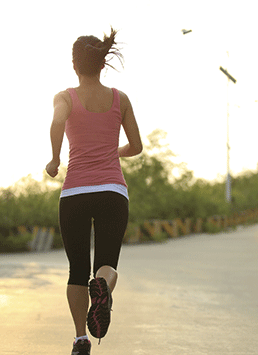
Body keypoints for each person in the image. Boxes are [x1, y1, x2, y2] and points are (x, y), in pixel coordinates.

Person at [45, 27, 142, 355]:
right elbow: (137, 146)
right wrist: (113, 152)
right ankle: (103, 289)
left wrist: (56, 158)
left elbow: (58, 123)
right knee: (107, 263)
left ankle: (80, 339)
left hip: (75, 193)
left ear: (74, 65)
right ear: (102, 64)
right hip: (113, 192)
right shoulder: (120, 99)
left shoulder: (65, 97)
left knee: (76, 268)